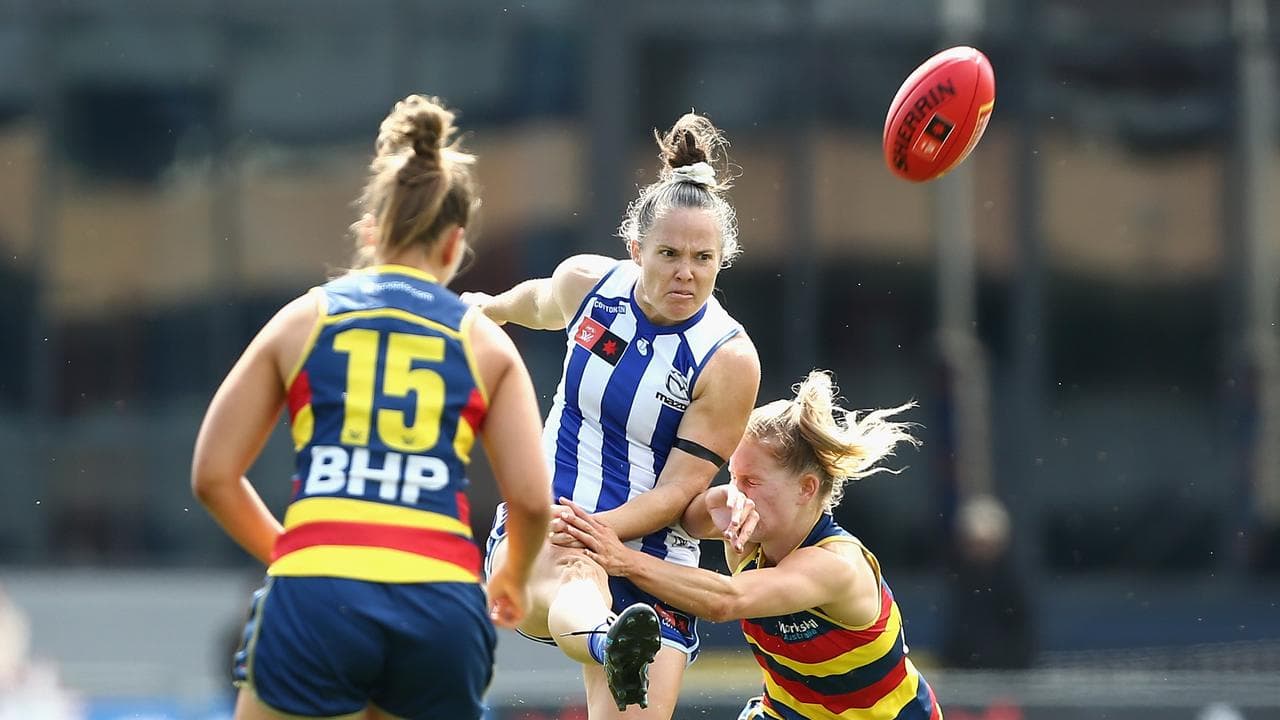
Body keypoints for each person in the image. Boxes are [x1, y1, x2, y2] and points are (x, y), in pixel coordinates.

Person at [191, 94, 551, 720]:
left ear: (370, 232)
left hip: (316, 595)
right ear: (454, 245)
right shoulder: (483, 342)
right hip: (439, 601)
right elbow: (531, 501)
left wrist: (294, 552)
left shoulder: (304, 318)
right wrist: (512, 579)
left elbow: (213, 476)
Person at [464, 112, 761, 718]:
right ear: (635, 250)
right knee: (581, 576)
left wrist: (612, 537)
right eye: (670, 254)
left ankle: (620, 638)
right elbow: (537, 302)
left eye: (704, 258)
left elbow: (682, 489)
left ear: (721, 259)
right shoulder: (588, 287)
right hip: (555, 527)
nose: (686, 272)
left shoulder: (729, 359)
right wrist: (485, 308)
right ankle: (606, 640)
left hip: (655, 565)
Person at [557, 370, 944, 720]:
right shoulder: (750, 535)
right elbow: (687, 520)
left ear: (806, 489)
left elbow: (726, 600)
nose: (737, 494)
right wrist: (715, 499)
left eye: (751, 483)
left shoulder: (838, 565)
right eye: (733, 477)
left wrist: (622, 559)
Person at [941, 494, 1035, 670]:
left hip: (1007, 678)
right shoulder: (959, 582)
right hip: (965, 677)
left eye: (984, 544)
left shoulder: (1011, 584)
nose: (978, 551)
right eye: (972, 544)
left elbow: (1022, 637)